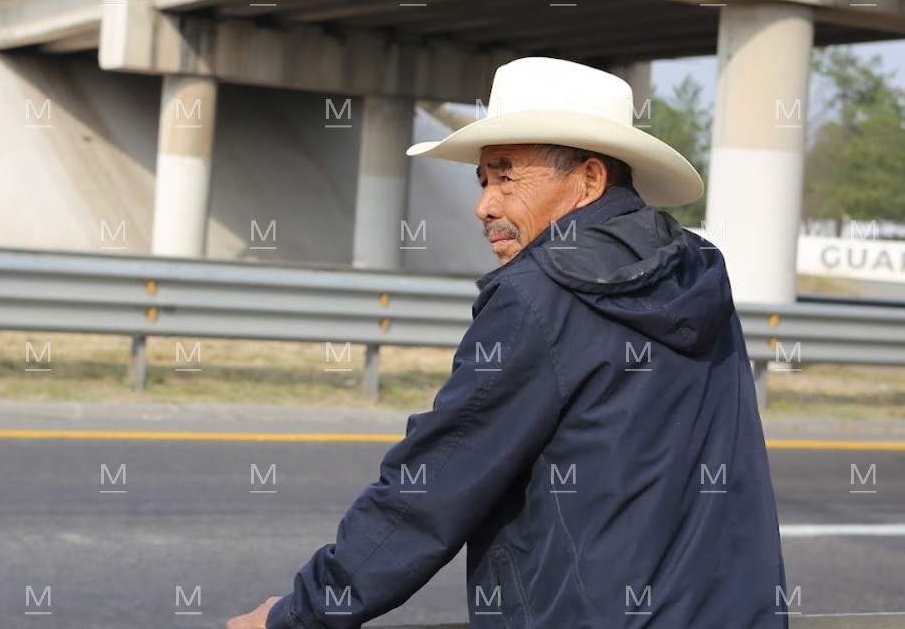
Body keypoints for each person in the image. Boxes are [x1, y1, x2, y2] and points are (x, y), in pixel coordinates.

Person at [227, 57, 787, 628]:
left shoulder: (537, 296)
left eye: (505, 176)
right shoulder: (697, 274)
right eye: (483, 180)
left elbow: (430, 488)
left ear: (589, 181)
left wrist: (298, 615)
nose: (484, 205)